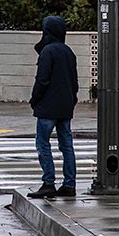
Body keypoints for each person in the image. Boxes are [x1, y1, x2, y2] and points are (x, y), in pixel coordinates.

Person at [27, 14, 79, 199]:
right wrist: (72, 100)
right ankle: (69, 184)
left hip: (48, 107)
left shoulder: (47, 51)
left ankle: (48, 182)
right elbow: (74, 82)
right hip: (65, 107)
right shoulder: (68, 52)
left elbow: (42, 79)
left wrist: (34, 100)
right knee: (66, 146)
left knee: (43, 144)